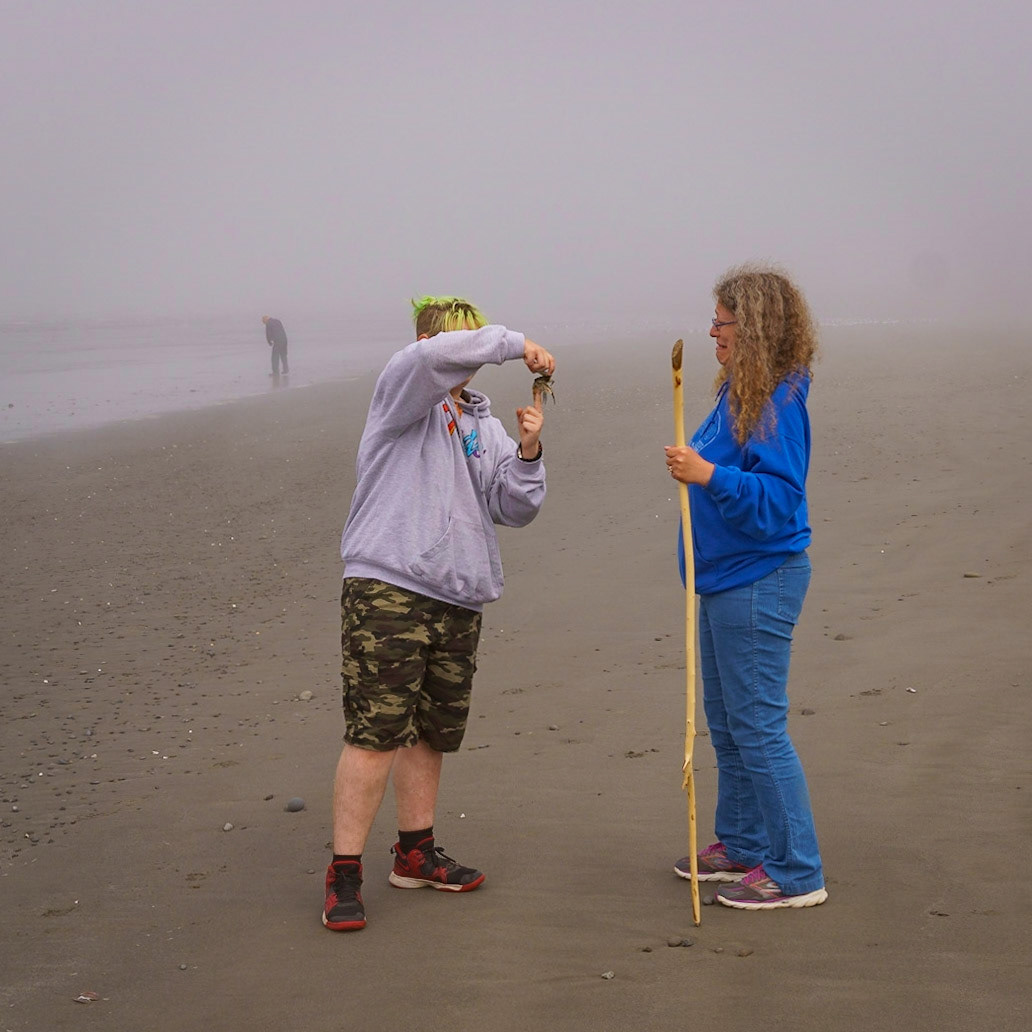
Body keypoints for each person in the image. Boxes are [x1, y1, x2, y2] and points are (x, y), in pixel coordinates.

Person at [323, 296, 555, 931]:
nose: (466, 350)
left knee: (430, 732)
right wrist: (511, 340)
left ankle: (415, 853)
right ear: (430, 341)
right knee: (375, 731)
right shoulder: (401, 392)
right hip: (387, 587)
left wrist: (529, 452)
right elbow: (432, 360)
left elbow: (514, 507)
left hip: (458, 596)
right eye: (459, 338)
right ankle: (344, 872)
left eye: (473, 337)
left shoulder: (481, 424)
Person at [664, 264, 827, 910]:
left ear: (753, 327)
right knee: (727, 723)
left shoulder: (779, 402)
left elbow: (781, 502)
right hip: (723, 580)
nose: (712, 333)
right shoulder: (740, 393)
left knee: (758, 726)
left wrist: (707, 476)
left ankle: (796, 871)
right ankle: (744, 842)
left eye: (722, 323)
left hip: (761, 579)